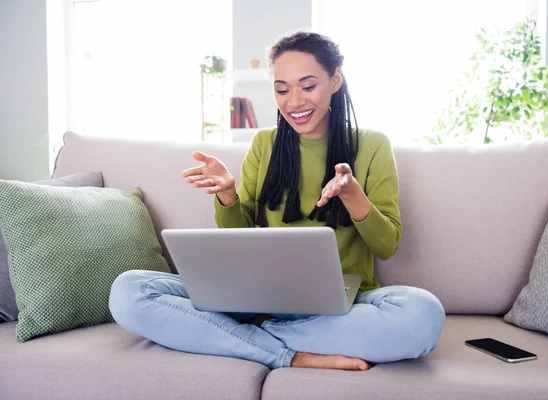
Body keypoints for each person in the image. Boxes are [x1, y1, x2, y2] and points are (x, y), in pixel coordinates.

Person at [109, 31, 445, 371]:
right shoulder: (264, 144)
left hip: (342, 304)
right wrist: (228, 195)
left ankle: (242, 336)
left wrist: (352, 194)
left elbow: (387, 245)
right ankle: (290, 355)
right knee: (130, 291)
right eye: (282, 89)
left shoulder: (372, 145)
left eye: (308, 86)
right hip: (255, 296)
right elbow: (240, 240)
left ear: (335, 79)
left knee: (423, 315)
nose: (294, 102)